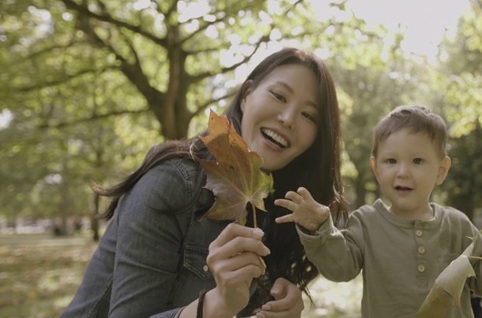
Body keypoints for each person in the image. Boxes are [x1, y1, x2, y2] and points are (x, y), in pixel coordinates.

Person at [60, 47, 349, 318]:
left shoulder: (276, 210)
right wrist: (217, 303)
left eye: (308, 115)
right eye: (279, 96)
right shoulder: (173, 182)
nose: (288, 118)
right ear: (247, 94)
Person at [274, 105, 482, 318]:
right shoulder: (366, 223)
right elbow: (340, 268)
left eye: (417, 160)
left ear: (440, 170)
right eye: (391, 161)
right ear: (377, 169)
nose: (402, 171)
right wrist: (320, 228)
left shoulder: (457, 226)